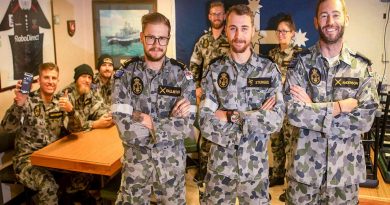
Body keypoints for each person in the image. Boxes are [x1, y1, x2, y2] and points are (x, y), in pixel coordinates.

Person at [284, 0, 379, 204]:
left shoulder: (361, 68)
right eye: (324, 16)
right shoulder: (300, 63)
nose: (330, 21)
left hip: (344, 176)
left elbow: (365, 119)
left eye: (336, 15)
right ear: (316, 22)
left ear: (346, 19)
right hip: (304, 175)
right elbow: (292, 111)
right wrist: (338, 107)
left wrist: (311, 108)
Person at [199, 4, 284, 204]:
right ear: (226, 30)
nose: (238, 35)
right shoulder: (214, 70)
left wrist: (232, 116)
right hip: (220, 171)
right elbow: (205, 121)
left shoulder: (268, 70)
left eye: (244, 28)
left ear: (253, 31)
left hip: (255, 173)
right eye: (233, 28)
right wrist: (257, 115)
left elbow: (276, 120)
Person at [112, 12, 196, 204]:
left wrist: (146, 119)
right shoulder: (124, 75)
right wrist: (168, 122)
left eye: (162, 38)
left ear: (168, 39)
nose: (156, 44)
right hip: (136, 170)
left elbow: (185, 127)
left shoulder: (182, 75)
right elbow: (124, 127)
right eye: (151, 37)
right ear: (142, 37)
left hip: (171, 170)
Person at [0, 63, 87, 204]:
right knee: (48, 186)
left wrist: (71, 112)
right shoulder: (27, 100)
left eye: (54, 78)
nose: (50, 82)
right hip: (28, 159)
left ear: (58, 81)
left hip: (52, 157)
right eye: (46, 77)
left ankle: (61, 198)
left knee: (84, 173)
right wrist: (18, 104)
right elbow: (7, 127)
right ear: (39, 80)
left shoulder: (61, 101)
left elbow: (77, 130)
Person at [189, 0, 230, 183]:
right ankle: (204, 170)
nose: (216, 17)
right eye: (213, 13)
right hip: (206, 96)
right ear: (209, 16)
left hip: (226, 96)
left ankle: (222, 172)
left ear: (225, 15)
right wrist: (196, 87)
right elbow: (193, 67)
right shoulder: (203, 41)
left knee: (223, 133)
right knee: (205, 133)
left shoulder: (230, 39)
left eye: (220, 13)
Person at [267, 15, 301, 201]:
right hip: (275, 107)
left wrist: (281, 81)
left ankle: (290, 186)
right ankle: (278, 175)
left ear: (292, 33)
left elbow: (297, 82)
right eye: (279, 31)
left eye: (285, 31)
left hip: (291, 108)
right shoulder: (272, 55)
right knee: (276, 142)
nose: (281, 34)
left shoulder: (299, 55)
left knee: (291, 147)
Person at [62, 64, 113, 131]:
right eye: (84, 76)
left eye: (89, 77)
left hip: (84, 136)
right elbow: (71, 127)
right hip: (67, 139)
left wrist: (108, 116)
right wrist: (95, 124)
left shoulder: (88, 92)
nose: (87, 80)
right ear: (76, 79)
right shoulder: (66, 95)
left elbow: (98, 109)